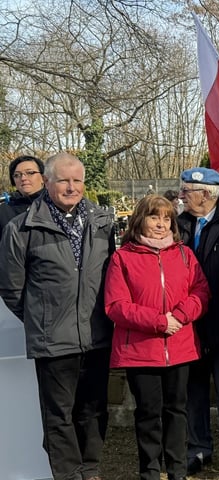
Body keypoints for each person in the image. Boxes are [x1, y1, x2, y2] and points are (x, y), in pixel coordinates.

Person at [0, 152, 114, 480]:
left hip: (96, 336)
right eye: (63, 180)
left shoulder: (101, 221)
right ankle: (68, 474)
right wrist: (42, 317)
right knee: (58, 416)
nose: (71, 187)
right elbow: (11, 288)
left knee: (93, 410)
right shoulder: (21, 228)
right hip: (53, 340)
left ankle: (90, 470)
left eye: (77, 180)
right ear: (47, 182)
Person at [105, 195, 210, 480]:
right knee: (149, 413)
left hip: (180, 347)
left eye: (166, 219)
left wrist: (179, 317)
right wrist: (159, 322)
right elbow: (116, 305)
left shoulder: (185, 255)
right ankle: (149, 471)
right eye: (154, 217)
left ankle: (176, 470)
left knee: (177, 410)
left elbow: (200, 292)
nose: (161, 224)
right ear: (141, 219)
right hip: (141, 350)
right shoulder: (122, 258)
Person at [176, 167, 219, 474]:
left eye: (187, 191)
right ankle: (199, 448)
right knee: (195, 390)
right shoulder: (179, 225)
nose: (182, 196)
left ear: (207, 194)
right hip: (190, 323)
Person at [0, 155, 45, 232]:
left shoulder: (56, 203)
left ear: (43, 178)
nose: (23, 178)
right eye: (17, 175)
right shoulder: (4, 211)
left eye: (30, 173)